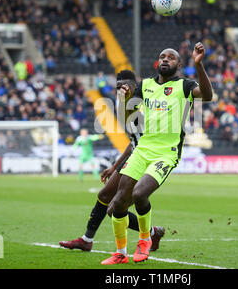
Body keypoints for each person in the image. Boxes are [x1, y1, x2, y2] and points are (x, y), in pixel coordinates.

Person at [101, 42, 213, 265]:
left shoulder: (185, 86)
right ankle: (120, 253)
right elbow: (128, 115)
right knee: (118, 204)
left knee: (140, 194)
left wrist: (199, 65)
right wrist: (123, 99)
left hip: (166, 153)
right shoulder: (145, 86)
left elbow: (207, 95)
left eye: (171, 57)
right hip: (142, 150)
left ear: (179, 65)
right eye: (162, 56)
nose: (165, 59)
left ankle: (145, 240)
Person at [59, 70, 165, 252]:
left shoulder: (143, 109)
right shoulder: (123, 107)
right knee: (104, 196)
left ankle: (152, 233)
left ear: (135, 86)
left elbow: (143, 143)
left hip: (146, 160)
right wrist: (114, 167)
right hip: (135, 156)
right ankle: (87, 239)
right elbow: (133, 143)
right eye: (118, 87)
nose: (122, 89)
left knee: (113, 209)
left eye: (126, 86)